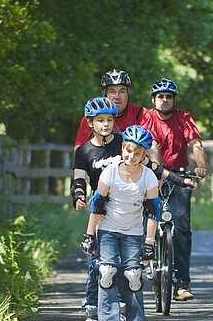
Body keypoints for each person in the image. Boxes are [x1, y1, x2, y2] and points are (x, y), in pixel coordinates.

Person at [82, 125, 159, 321]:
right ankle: (109, 318)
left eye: (137, 153)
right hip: (107, 229)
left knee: (133, 276)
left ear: (144, 155)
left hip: (133, 232)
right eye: (128, 150)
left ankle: (135, 318)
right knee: (107, 273)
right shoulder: (110, 173)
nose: (131, 156)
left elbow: (152, 213)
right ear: (122, 147)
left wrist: (149, 243)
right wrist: (90, 235)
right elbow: (97, 205)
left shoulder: (148, 176)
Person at [141, 78, 206, 301]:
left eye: (169, 96)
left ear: (173, 100)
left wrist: (200, 165)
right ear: (154, 100)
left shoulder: (183, 117)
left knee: (182, 228)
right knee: (144, 220)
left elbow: (195, 143)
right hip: (150, 174)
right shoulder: (146, 117)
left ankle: (181, 283)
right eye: (161, 96)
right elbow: (148, 146)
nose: (165, 100)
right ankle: (143, 266)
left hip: (179, 176)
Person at [72, 97, 123, 321]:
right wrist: (79, 195)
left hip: (125, 205)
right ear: (90, 122)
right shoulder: (83, 151)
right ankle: (92, 307)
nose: (105, 124)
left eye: (109, 119)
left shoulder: (123, 142)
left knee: (122, 262)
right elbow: (79, 180)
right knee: (97, 262)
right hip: (99, 208)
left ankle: (119, 308)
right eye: (100, 120)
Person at [74, 69, 147, 151]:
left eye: (122, 91)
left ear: (128, 93)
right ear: (105, 94)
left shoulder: (141, 114)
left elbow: (152, 147)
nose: (117, 97)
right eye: (112, 92)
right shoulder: (92, 116)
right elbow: (79, 150)